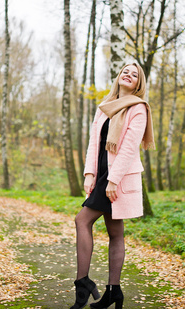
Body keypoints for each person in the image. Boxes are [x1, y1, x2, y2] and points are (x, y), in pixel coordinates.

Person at [70, 63, 155, 309]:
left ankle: (82, 283)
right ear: (119, 77)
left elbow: (129, 148)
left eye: (135, 74)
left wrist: (113, 180)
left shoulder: (139, 108)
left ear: (139, 83)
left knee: (82, 220)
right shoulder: (105, 107)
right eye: (125, 72)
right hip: (101, 175)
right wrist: (89, 173)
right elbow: (93, 143)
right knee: (115, 232)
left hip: (117, 178)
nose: (129, 75)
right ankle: (113, 292)